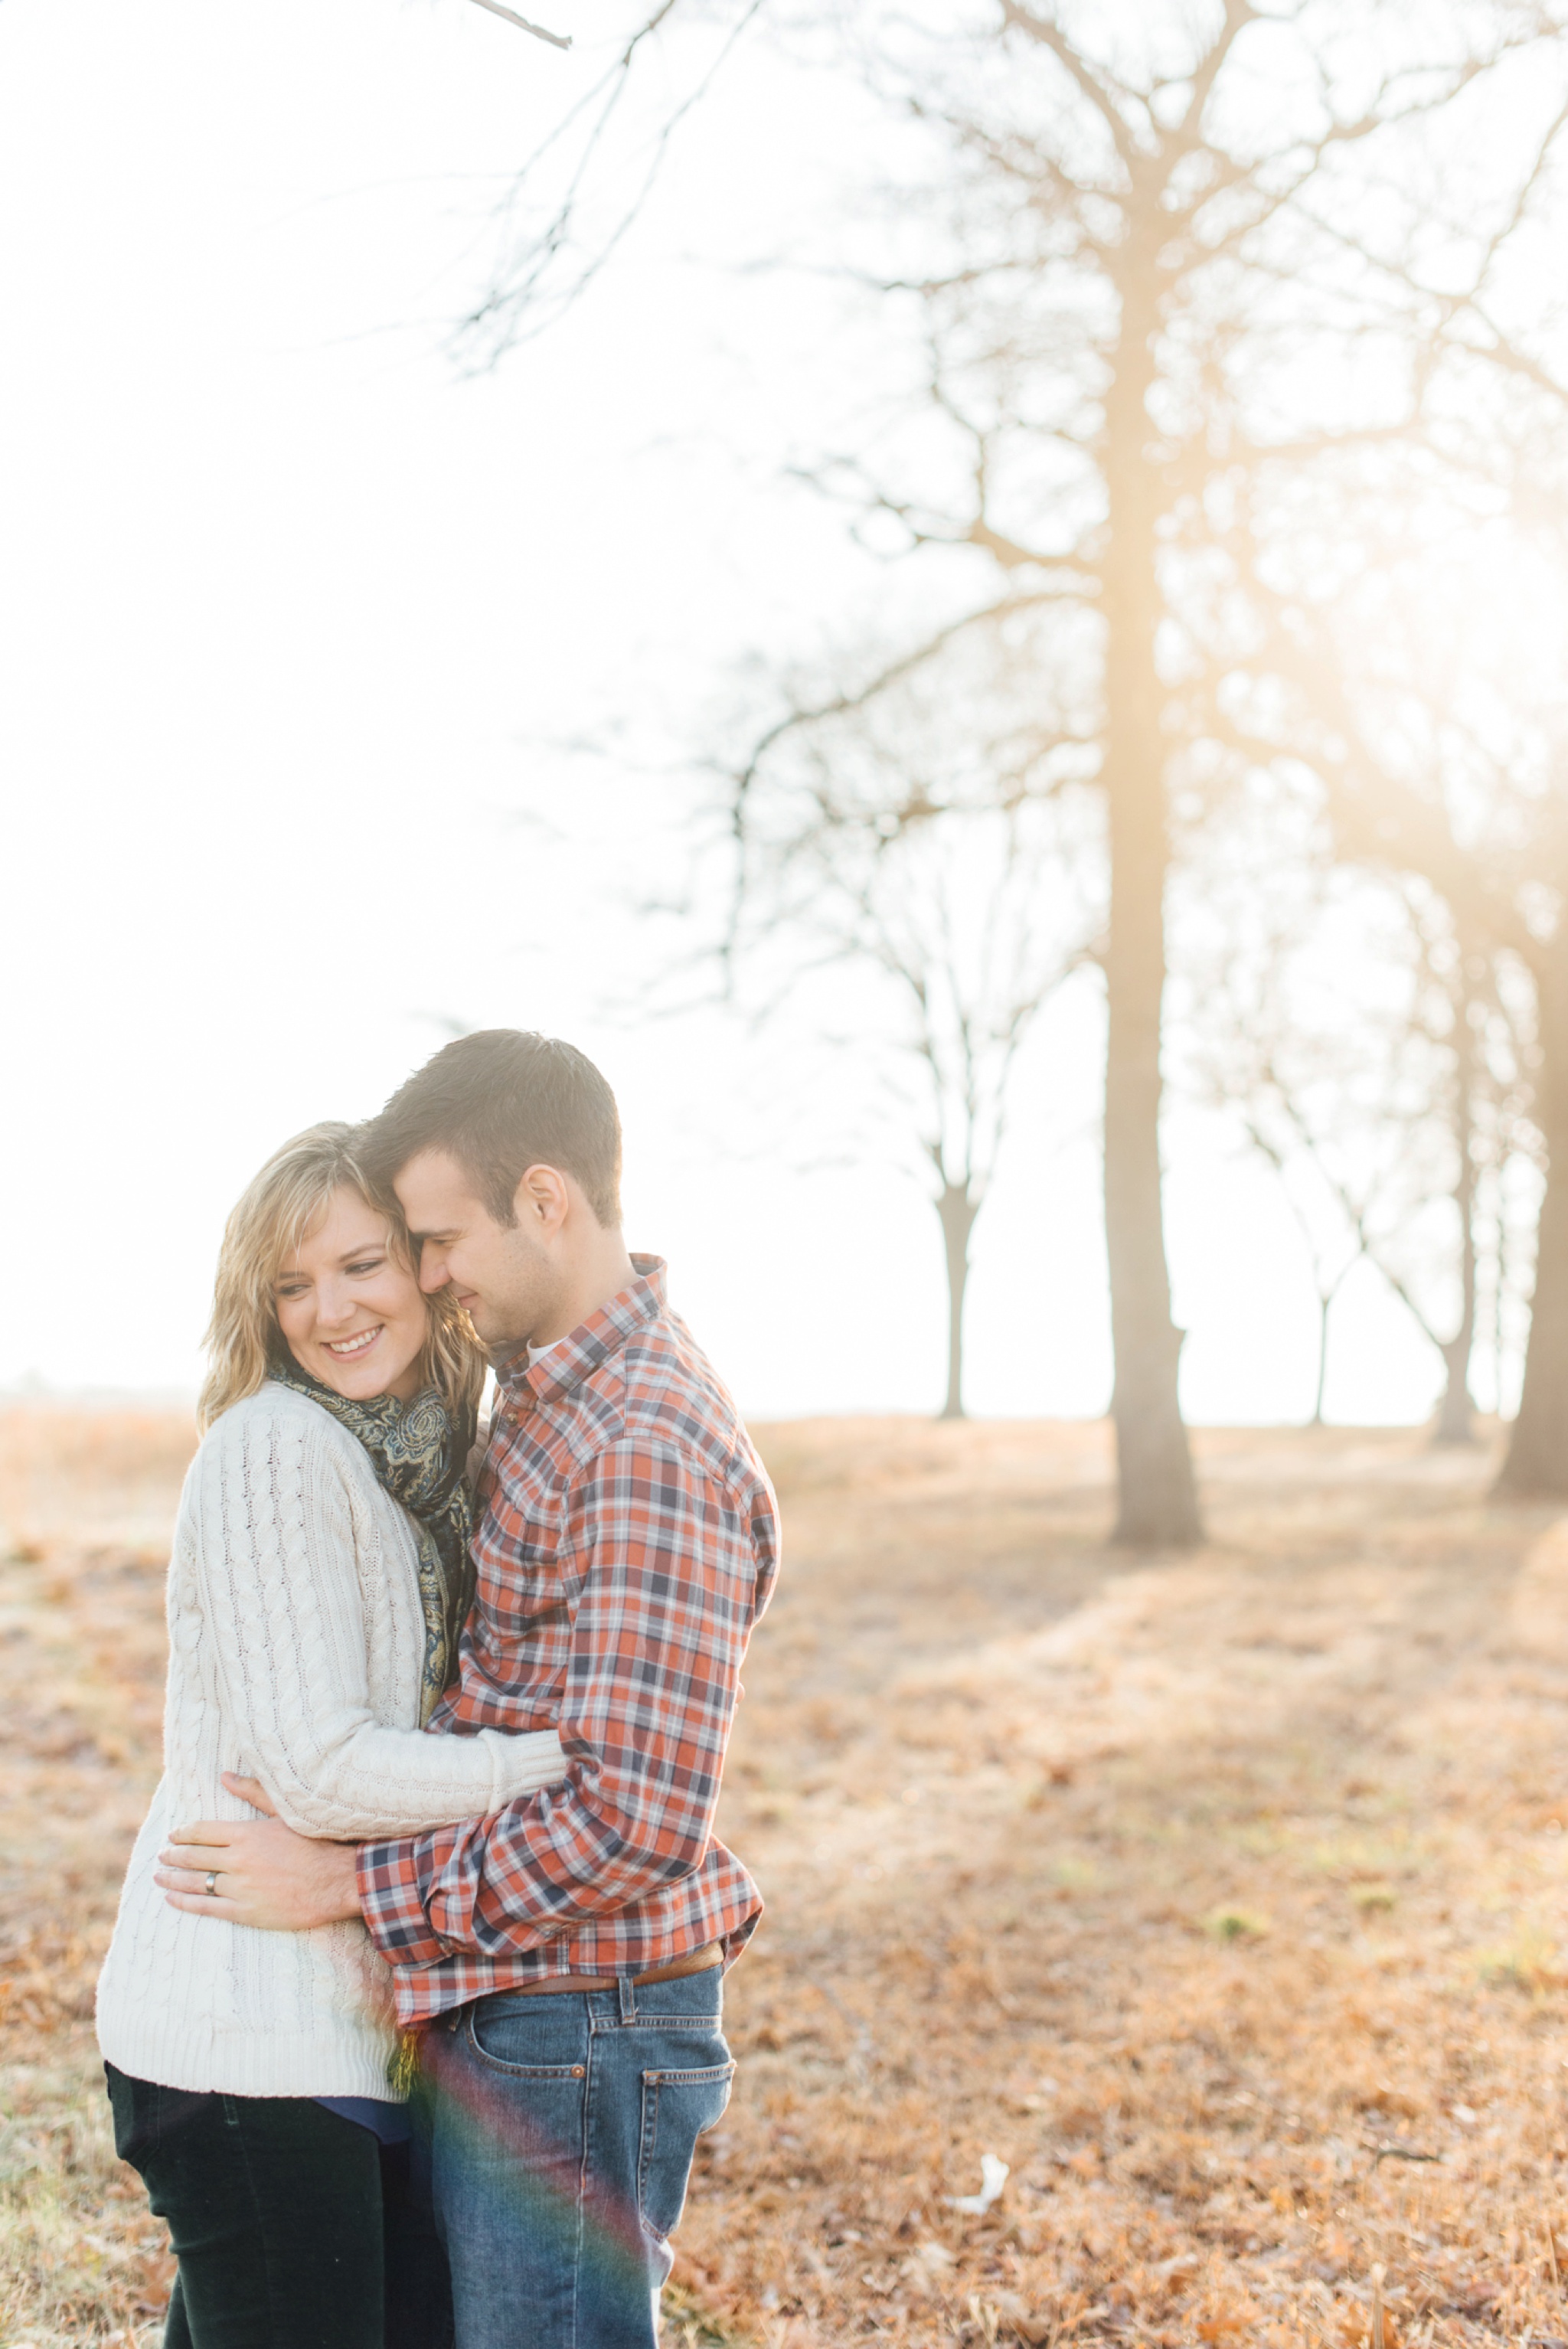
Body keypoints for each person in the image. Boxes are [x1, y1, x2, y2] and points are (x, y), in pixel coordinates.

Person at [155, 1031, 781, 2349]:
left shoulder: (641, 1442)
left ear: (543, 1201)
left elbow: (627, 1821)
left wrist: (347, 1885)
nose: (431, 1276)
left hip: (583, 2015)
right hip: (510, 2008)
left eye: (435, 1242)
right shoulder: (543, 1401)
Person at [96, 1122, 572, 2349]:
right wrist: (537, 1768)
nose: (331, 1310)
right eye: (293, 1286)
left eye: (361, 1265)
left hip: (325, 2031)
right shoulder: (274, 1448)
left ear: (422, 1267)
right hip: (244, 2032)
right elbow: (316, 1767)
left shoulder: (407, 1474)